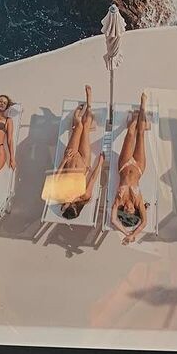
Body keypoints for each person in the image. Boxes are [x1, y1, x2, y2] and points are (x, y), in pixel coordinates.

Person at [55, 84, 104, 221]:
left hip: (70, 159)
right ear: (74, 208)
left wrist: (64, 160)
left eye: (63, 207)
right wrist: (100, 163)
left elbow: (56, 176)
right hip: (84, 162)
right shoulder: (85, 197)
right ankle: (89, 103)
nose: (64, 205)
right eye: (66, 207)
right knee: (85, 128)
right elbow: (93, 179)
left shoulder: (61, 195)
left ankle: (77, 117)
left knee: (79, 127)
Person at [110, 90, 151, 245]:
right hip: (139, 167)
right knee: (141, 135)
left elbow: (113, 220)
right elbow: (144, 223)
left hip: (124, 165)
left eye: (126, 212)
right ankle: (143, 106)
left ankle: (135, 119)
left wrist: (125, 233)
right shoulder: (139, 201)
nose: (128, 209)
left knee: (130, 133)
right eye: (132, 212)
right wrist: (133, 234)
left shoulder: (118, 202)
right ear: (135, 211)